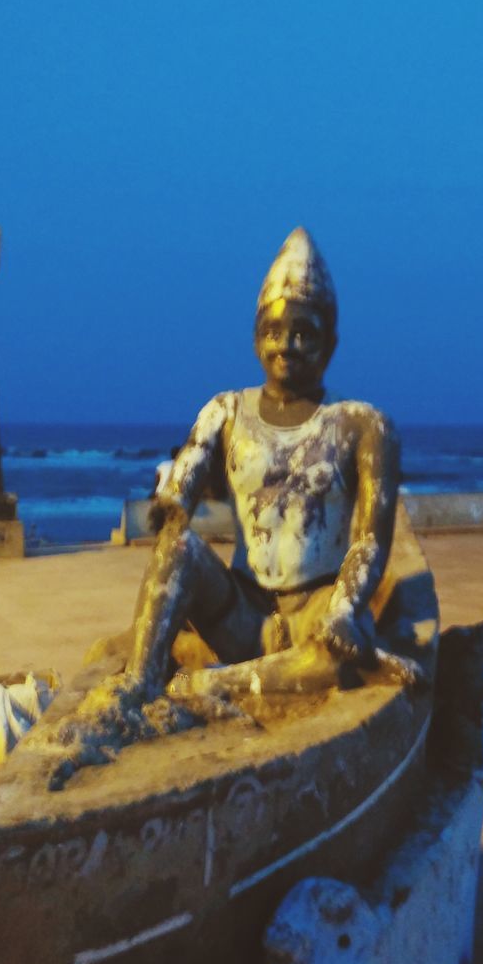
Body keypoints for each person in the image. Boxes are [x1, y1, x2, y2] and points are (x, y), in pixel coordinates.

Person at [118, 226, 405, 705]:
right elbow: (186, 474)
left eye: (303, 333)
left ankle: (204, 683)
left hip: (318, 613)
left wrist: (345, 608)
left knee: (342, 655)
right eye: (274, 332)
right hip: (241, 611)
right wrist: (172, 503)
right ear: (255, 340)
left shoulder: (363, 425)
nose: (286, 345)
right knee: (177, 549)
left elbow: (371, 540)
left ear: (330, 344)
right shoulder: (225, 410)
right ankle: (140, 685)